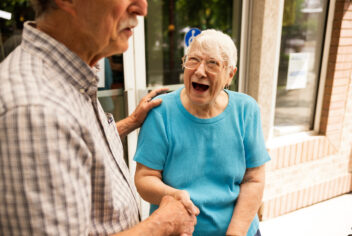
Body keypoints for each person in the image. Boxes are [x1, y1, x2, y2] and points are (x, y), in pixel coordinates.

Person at [0, 0, 198, 235]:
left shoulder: (70, 80)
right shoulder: (35, 111)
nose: (142, 8)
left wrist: (132, 121)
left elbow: (80, 147)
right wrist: (164, 223)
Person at [134, 29, 271, 236]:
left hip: (241, 231)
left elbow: (254, 178)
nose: (199, 71)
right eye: (193, 60)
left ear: (230, 74)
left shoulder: (246, 110)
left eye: (212, 63)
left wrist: (235, 233)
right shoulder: (161, 111)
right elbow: (145, 178)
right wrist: (173, 194)